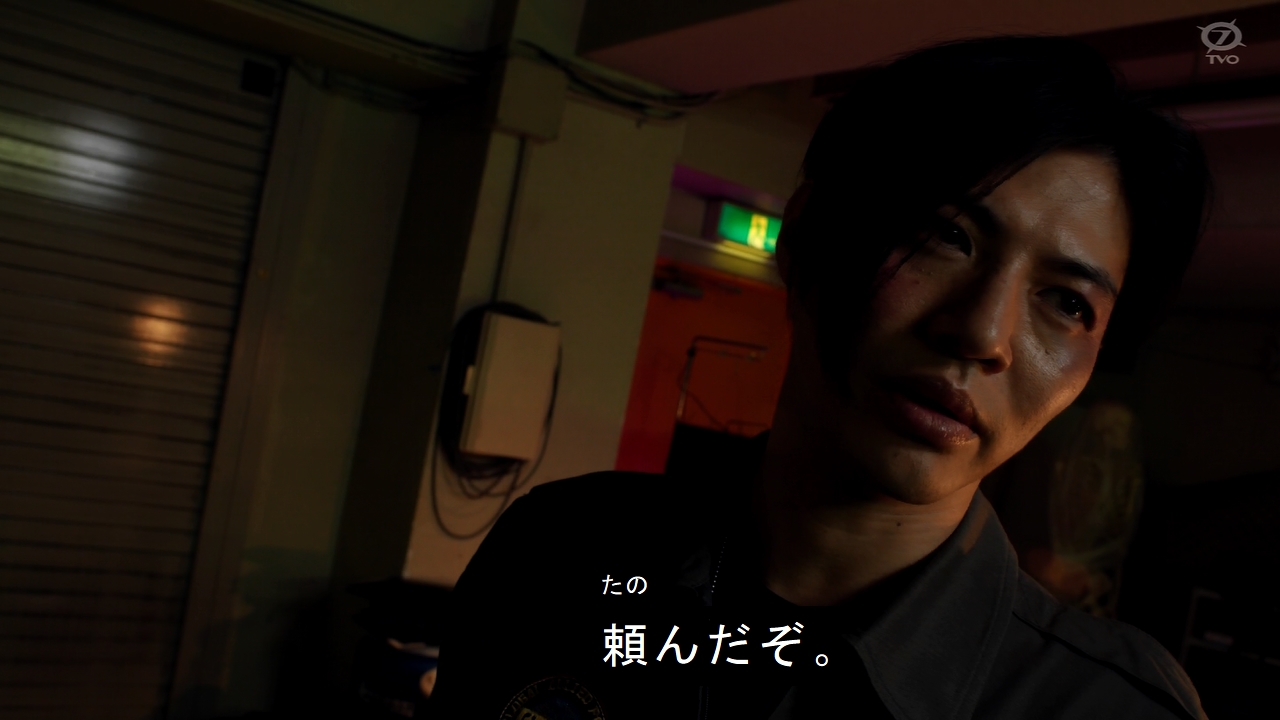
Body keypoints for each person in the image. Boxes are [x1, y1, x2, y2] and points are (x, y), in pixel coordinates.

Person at [428, 35, 1211, 720]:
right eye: (947, 236)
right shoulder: (560, 552)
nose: (982, 333)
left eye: (1067, 302)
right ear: (805, 235)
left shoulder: (1104, 706)